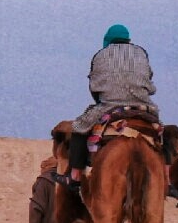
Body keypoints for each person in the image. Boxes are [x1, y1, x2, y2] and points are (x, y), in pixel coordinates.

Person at [68, 24, 158, 182]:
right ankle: (166, 176)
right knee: (163, 137)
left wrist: (101, 101)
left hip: (109, 107)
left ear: (108, 39)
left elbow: (94, 86)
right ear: (127, 39)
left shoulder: (100, 55)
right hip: (144, 107)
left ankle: (75, 175)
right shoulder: (141, 53)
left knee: (78, 128)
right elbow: (149, 80)